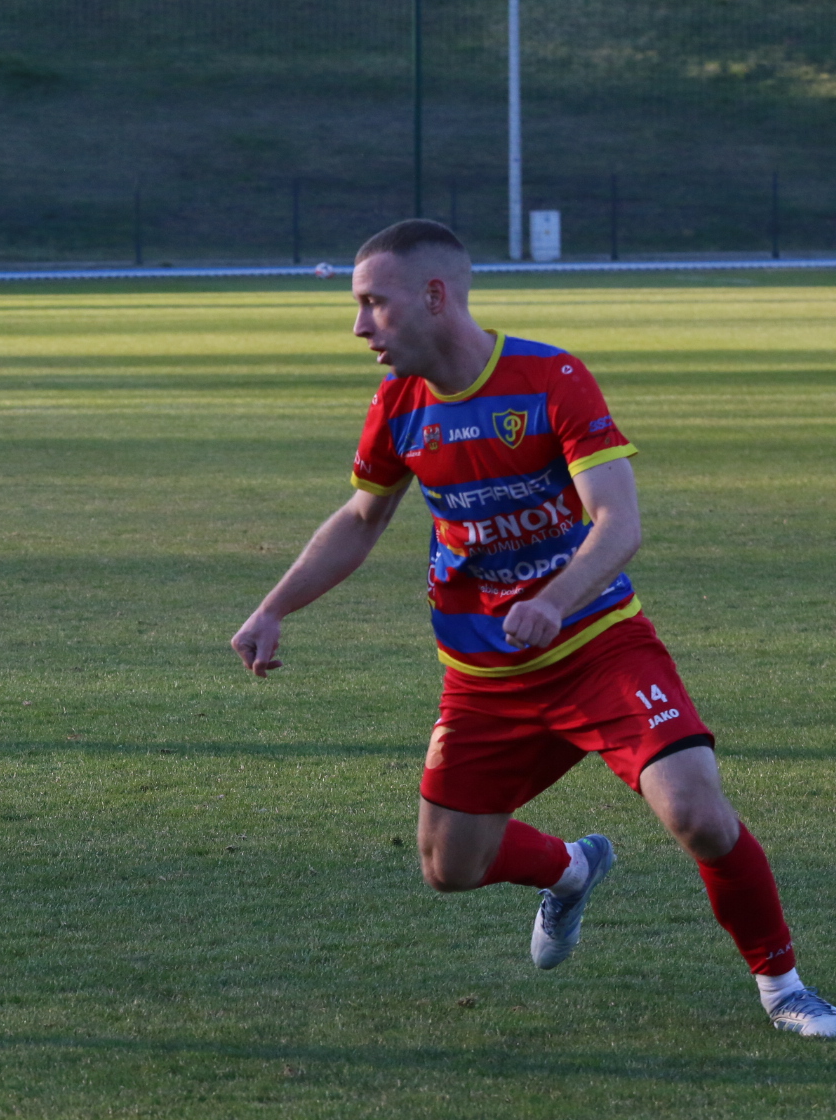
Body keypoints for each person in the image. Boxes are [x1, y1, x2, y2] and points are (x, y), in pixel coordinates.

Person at [229, 218, 833, 1037]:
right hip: (483, 680)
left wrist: (555, 598)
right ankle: (572, 868)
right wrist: (274, 607)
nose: (360, 326)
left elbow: (618, 521)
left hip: (598, 652)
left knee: (697, 811)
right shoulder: (399, 404)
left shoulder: (550, 377)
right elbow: (362, 518)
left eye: (374, 303)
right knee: (449, 868)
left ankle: (783, 987)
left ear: (434, 296)